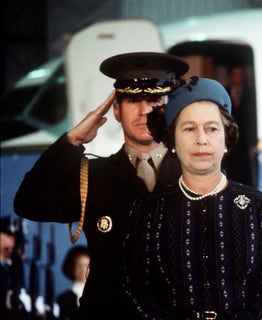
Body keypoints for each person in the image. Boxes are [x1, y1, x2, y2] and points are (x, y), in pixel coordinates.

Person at [13, 51, 189, 319]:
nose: (144, 111)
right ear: (116, 110)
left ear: (170, 107)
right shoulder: (92, 176)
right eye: (132, 100)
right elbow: (29, 202)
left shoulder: (195, 175)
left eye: (154, 99)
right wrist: (72, 142)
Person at [122, 76, 262, 319]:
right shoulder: (148, 212)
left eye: (212, 128)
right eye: (189, 128)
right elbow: (135, 288)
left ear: (226, 139)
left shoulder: (261, 208)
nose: (201, 139)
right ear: (172, 142)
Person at [223, 65, 259, 188]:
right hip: (229, 142)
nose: (238, 78)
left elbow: (254, 119)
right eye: (235, 74)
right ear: (230, 76)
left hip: (246, 143)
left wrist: (254, 143)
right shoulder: (224, 92)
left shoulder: (251, 94)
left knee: (247, 175)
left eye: (240, 75)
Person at [57, 245, 90, 320]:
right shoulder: (64, 298)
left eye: (86, 265)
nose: (83, 270)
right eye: (79, 266)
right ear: (72, 268)